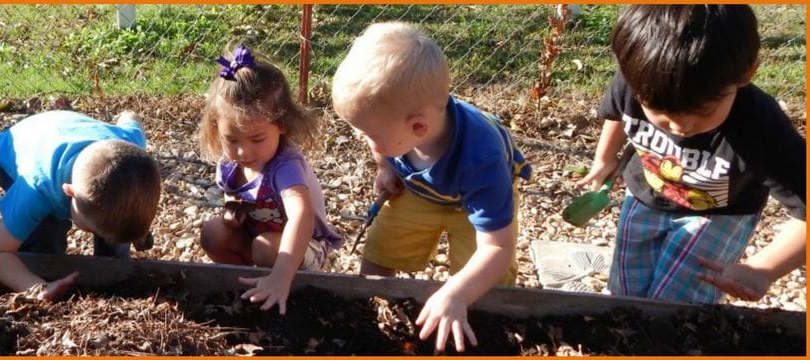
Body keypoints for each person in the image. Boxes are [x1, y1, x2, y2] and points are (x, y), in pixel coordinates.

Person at [576, 5, 805, 304]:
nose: (679, 127)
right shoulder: (637, 80)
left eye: (701, 113)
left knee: (676, 302)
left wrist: (763, 269)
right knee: (626, 291)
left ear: (747, 72)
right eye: (659, 113)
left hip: (719, 215)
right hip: (645, 195)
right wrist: (605, 157)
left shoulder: (761, 127)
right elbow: (617, 114)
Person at [331, 22, 531, 352]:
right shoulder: (396, 128)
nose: (363, 140)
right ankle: (367, 311)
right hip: (421, 190)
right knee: (383, 244)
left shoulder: (482, 157)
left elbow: (497, 248)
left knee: (483, 281)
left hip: (475, 200)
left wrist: (455, 293)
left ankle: (475, 329)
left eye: (369, 135)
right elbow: (382, 144)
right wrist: (384, 167)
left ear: (418, 127)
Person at [197, 44, 343, 315]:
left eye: (257, 139)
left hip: (305, 247)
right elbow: (235, 195)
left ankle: (278, 289)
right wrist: (233, 209)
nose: (243, 151)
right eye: (232, 139)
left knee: (263, 248)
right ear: (217, 127)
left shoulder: (285, 165)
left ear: (282, 125)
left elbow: (302, 215)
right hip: (260, 238)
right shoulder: (231, 163)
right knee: (213, 233)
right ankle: (248, 288)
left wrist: (281, 276)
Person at [0, 110, 162, 300]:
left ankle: (113, 267)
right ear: (69, 192)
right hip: (19, 145)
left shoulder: (130, 145)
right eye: (89, 228)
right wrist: (36, 288)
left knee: (113, 225)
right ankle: (45, 271)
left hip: (69, 128)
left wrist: (127, 114)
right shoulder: (36, 191)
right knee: (44, 236)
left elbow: (130, 117)